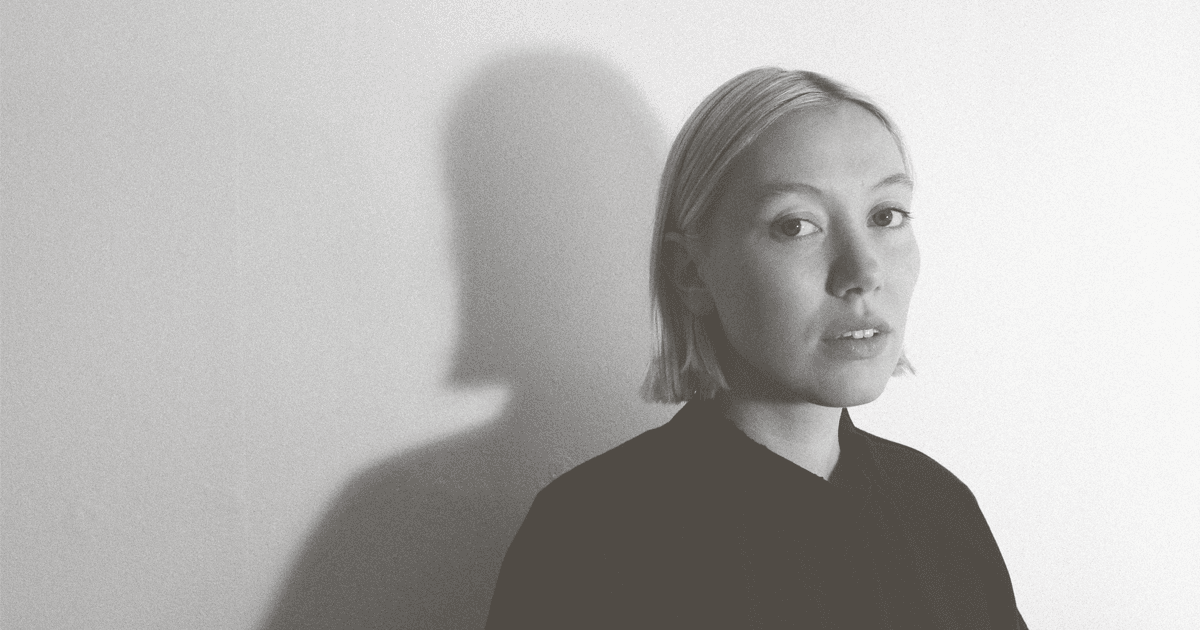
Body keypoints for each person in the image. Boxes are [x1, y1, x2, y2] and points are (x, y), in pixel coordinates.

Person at [485, 68, 1027, 629]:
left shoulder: (939, 510)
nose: (862, 272)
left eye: (885, 216)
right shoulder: (591, 537)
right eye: (796, 225)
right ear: (692, 271)